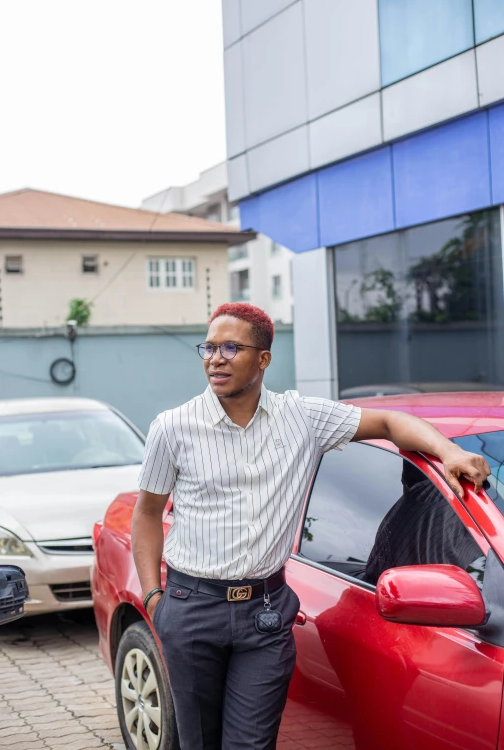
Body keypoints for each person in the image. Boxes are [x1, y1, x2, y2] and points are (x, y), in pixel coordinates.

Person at [132, 302, 490, 750]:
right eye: (208, 347)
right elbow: (147, 514)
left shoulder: (302, 417)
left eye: (230, 347)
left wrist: (449, 452)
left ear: (263, 359)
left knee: (252, 745)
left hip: (264, 615)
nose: (215, 358)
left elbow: (392, 422)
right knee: (198, 743)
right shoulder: (172, 427)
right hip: (190, 607)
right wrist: (155, 600)